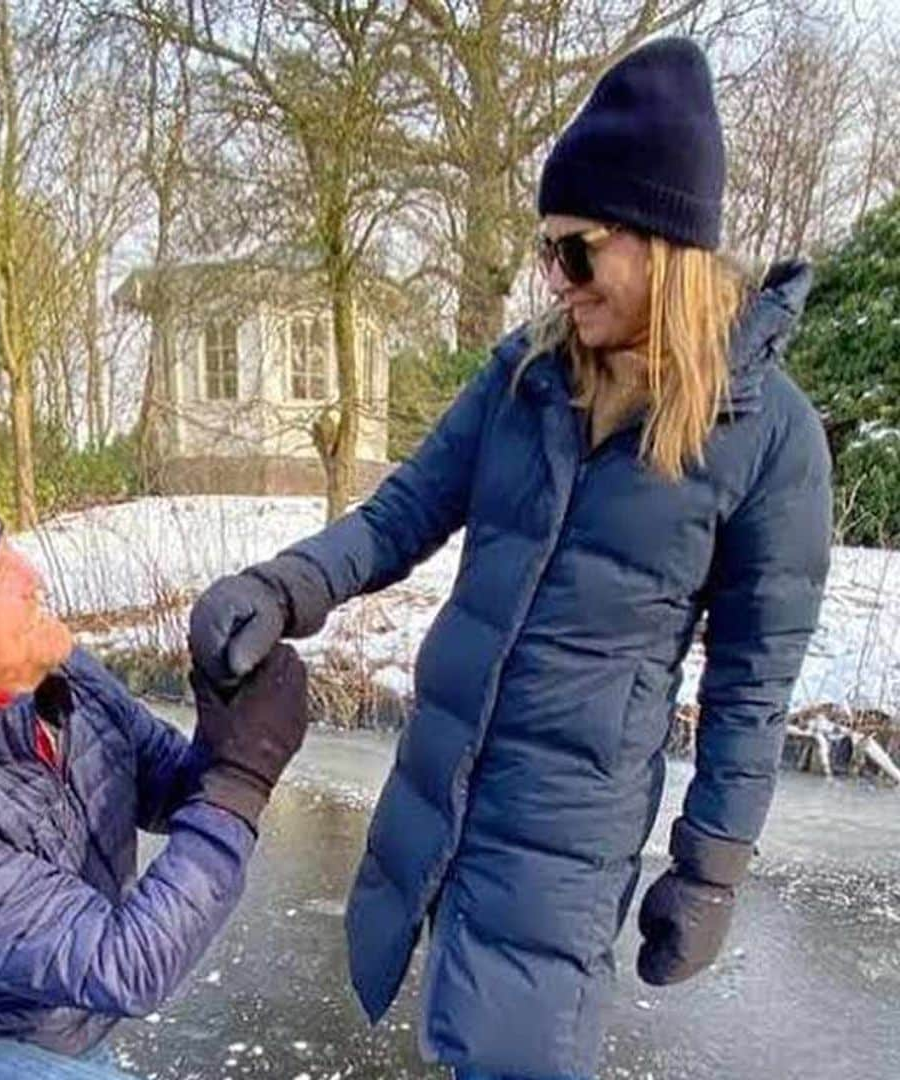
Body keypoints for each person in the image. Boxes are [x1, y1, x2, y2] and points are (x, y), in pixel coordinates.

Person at [188, 37, 832, 1080]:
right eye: (547, 252)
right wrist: (284, 586)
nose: (557, 279)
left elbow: (753, 691)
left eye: (577, 250)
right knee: (454, 1034)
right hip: (442, 781)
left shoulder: (768, 436)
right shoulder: (526, 375)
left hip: (565, 836)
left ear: (660, 244)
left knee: (514, 1054)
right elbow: (399, 515)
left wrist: (710, 869)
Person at [0, 476, 308, 1080]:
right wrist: (241, 781)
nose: (32, 574)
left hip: (43, 1026)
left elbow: (164, 789)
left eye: (7, 551)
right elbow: (127, 964)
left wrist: (227, 717)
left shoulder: (49, 669)